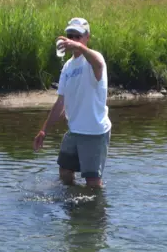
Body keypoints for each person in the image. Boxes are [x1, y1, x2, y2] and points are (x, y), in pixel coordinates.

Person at [33, 17, 112, 187]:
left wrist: (79, 48)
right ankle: (74, 202)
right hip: (75, 130)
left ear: (87, 37)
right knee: (65, 172)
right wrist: (44, 130)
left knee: (92, 182)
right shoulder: (68, 67)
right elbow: (60, 103)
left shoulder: (94, 59)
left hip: (94, 132)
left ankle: (94, 210)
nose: (73, 39)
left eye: (78, 36)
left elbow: (98, 65)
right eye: (70, 35)